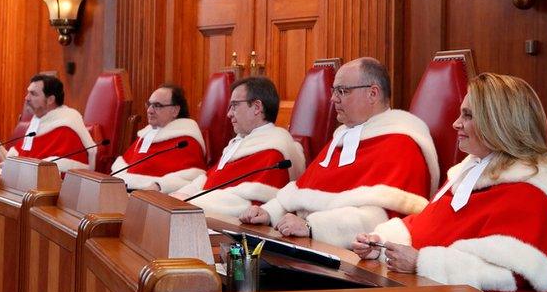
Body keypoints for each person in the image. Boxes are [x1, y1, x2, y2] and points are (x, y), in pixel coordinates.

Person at [351, 73, 547, 292]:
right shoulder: (468, 173)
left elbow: (509, 277)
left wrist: (422, 263)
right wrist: (381, 245)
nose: (456, 123)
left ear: (498, 124)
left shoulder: (528, 192)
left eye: (468, 116)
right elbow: (428, 227)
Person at [239, 58, 438, 248]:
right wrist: (268, 212)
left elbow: (382, 218)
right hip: (308, 245)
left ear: (373, 94)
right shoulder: (344, 136)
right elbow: (302, 191)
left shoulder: (401, 144)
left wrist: (312, 227)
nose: (333, 98)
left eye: (342, 91)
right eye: (334, 91)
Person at [172, 77, 305, 217]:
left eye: (234, 105)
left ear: (257, 107)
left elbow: (249, 205)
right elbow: (209, 179)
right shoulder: (240, 141)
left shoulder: (274, 151)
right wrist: (180, 196)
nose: (229, 113)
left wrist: (190, 204)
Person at [111, 84, 207, 192]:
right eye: (149, 104)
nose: (149, 111)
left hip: (153, 198)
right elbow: (123, 165)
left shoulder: (186, 141)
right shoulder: (147, 134)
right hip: (125, 191)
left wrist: (160, 186)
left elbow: (190, 179)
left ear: (175, 110)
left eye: (157, 105)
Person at [6, 74, 96, 173]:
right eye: (28, 93)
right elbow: (22, 155)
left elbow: (62, 172)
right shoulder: (37, 121)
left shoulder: (67, 129)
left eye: (33, 94)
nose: (26, 98)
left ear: (50, 100)